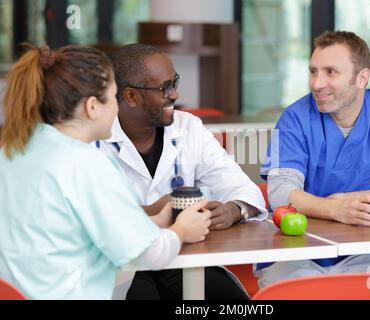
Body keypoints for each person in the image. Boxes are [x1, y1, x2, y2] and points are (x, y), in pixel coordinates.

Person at [0, 44, 211, 299]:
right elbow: (151, 254)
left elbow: (70, 232)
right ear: (92, 107)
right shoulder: (85, 164)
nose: (117, 107)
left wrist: (156, 222)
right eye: (113, 98)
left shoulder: (13, 149)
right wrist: (182, 230)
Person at [96, 43, 268, 300]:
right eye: (164, 88)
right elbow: (95, 221)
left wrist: (234, 210)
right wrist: (156, 211)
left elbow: (244, 188)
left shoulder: (188, 128)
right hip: (120, 264)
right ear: (131, 96)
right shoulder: (94, 138)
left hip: (182, 257)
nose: (175, 94)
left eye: (174, 82)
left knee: (229, 299)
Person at [258, 31, 370, 287]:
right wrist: (335, 209)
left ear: (362, 78)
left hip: (362, 250)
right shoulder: (294, 118)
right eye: (313, 71)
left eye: (330, 72)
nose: (316, 83)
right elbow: (280, 192)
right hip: (295, 252)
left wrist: (349, 201)